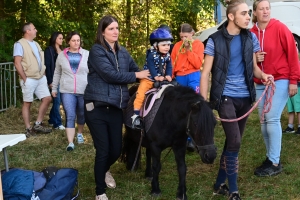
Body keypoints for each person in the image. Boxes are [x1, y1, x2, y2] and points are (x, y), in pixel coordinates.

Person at [200, 0, 273, 199]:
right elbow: (205, 73)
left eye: (249, 13)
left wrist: (263, 75)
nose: (249, 17)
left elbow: (254, 68)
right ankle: (233, 191)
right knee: (234, 142)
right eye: (244, 13)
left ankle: (218, 184)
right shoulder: (215, 40)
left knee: (232, 143)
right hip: (225, 97)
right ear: (231, 16)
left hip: (245, 98)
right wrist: (204, 104)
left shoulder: (251, 38)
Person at [83, 15, 150, 200]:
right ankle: (99, 192)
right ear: (102, 31)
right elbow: (110, 75)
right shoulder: (97, 51)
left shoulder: (123, 52)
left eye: (117, 28)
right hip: (95, 106)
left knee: (116, 149)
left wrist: (154, 75)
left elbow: (136, 71)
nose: (116, 31)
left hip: (115, 107)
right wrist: (136, 74)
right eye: (111, 28)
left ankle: (103, 170)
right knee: (104, 149)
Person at [250, 0, 300, 177]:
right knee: (263, 121)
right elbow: (246, 60)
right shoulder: (251, 33)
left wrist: (294, 80)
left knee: (271, 119)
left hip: (280, 79)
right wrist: (255, 58)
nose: (265, 11)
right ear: (254, 12)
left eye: (267, 8)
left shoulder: (280, 28)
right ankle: (270, 157)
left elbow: (293, 54)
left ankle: (275, 162)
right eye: (261, 9)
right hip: (259, 82)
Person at [13, 22, 52, 137]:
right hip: (29, 78)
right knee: (27, 102)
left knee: (47, 98)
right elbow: (17, 62)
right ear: (28, 31)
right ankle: (28, 129)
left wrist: (44, 74)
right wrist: (25, 79)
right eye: (34, 29)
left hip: (40, 77)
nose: (36, 31)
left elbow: (40, 60)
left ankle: (37, 124)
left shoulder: (36, 44)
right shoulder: (19, 44)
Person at [52, 31, 89, 151]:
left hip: (83, 90)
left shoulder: (87, 54)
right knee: (70, 115)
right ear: (68, 41)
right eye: (73, 40)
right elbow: (57, 72)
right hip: (66, 90)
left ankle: (79, 134)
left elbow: (93, 71)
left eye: (78, 40)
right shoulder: (62, 55)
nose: (76, 42)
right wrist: (54, 88)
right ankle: (70, 143)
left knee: (82, 114)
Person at [171, 23, 204, 151]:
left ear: (191, 34)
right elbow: (172, 63)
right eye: (181, 37)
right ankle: (179, 137)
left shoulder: (198, 45)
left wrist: (188, 49)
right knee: (179, 106)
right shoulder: (176, 46)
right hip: (180, 76)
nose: (183, 39)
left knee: (194, 104)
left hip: (193, 75)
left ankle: (192, 139)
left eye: (185, 36)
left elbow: (197, 63)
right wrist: (171, 76)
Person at [131, 28, 173, 128]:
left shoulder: (167, 55)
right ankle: (136, 115)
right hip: (149, 78)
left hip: (161, 79)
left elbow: (169, 65)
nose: (167, 47)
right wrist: (156, 77)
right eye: (164, 45)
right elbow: (151, 66)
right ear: (155, 45)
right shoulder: (151, 54)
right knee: (140, 93)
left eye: (168, 45)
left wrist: (168, 74)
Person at [45, 31, 65, 130]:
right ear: (55, 39)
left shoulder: (63, 51)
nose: (62, 40)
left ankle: (52, 119)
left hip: (63, 79)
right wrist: (50, 82)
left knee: (59, 101)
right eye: (60, 38)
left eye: (62, 38)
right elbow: (48, 67)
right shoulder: (49, 50)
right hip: (54, 79)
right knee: (57, 101)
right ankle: (57, 123)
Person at [283, 53, 300, 134]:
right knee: (291, 108)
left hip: (298, 87)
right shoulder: (286, 63)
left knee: (298, 108)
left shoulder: (298, 63)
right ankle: (290, 126)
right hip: (288, 88)